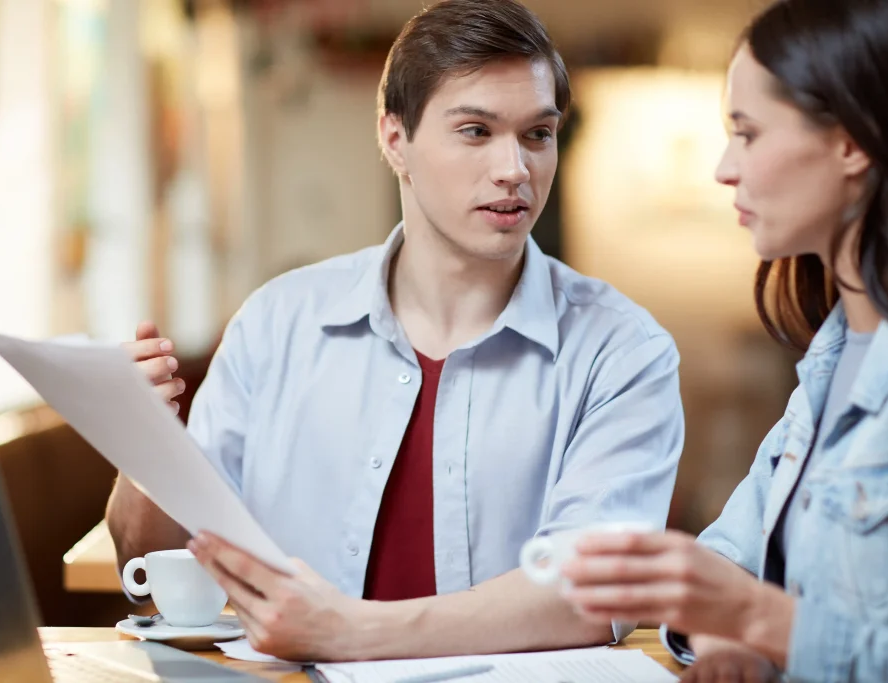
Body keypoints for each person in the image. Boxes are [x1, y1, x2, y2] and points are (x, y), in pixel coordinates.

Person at [108, 0, 684, 662]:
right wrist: (143, 443)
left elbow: (593, 592)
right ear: (394, 139)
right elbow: (151, 563)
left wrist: (349, 630)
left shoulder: (623, 351)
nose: (514, 169)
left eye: (536, 134)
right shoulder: (276, 324)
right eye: (475, 131)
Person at [561, 0, 888, 681]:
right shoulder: (830, 365)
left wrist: (760, 620)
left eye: (746, 133)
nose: (723, 168)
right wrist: (729, 637)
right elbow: (727, 556)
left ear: (851, 141)